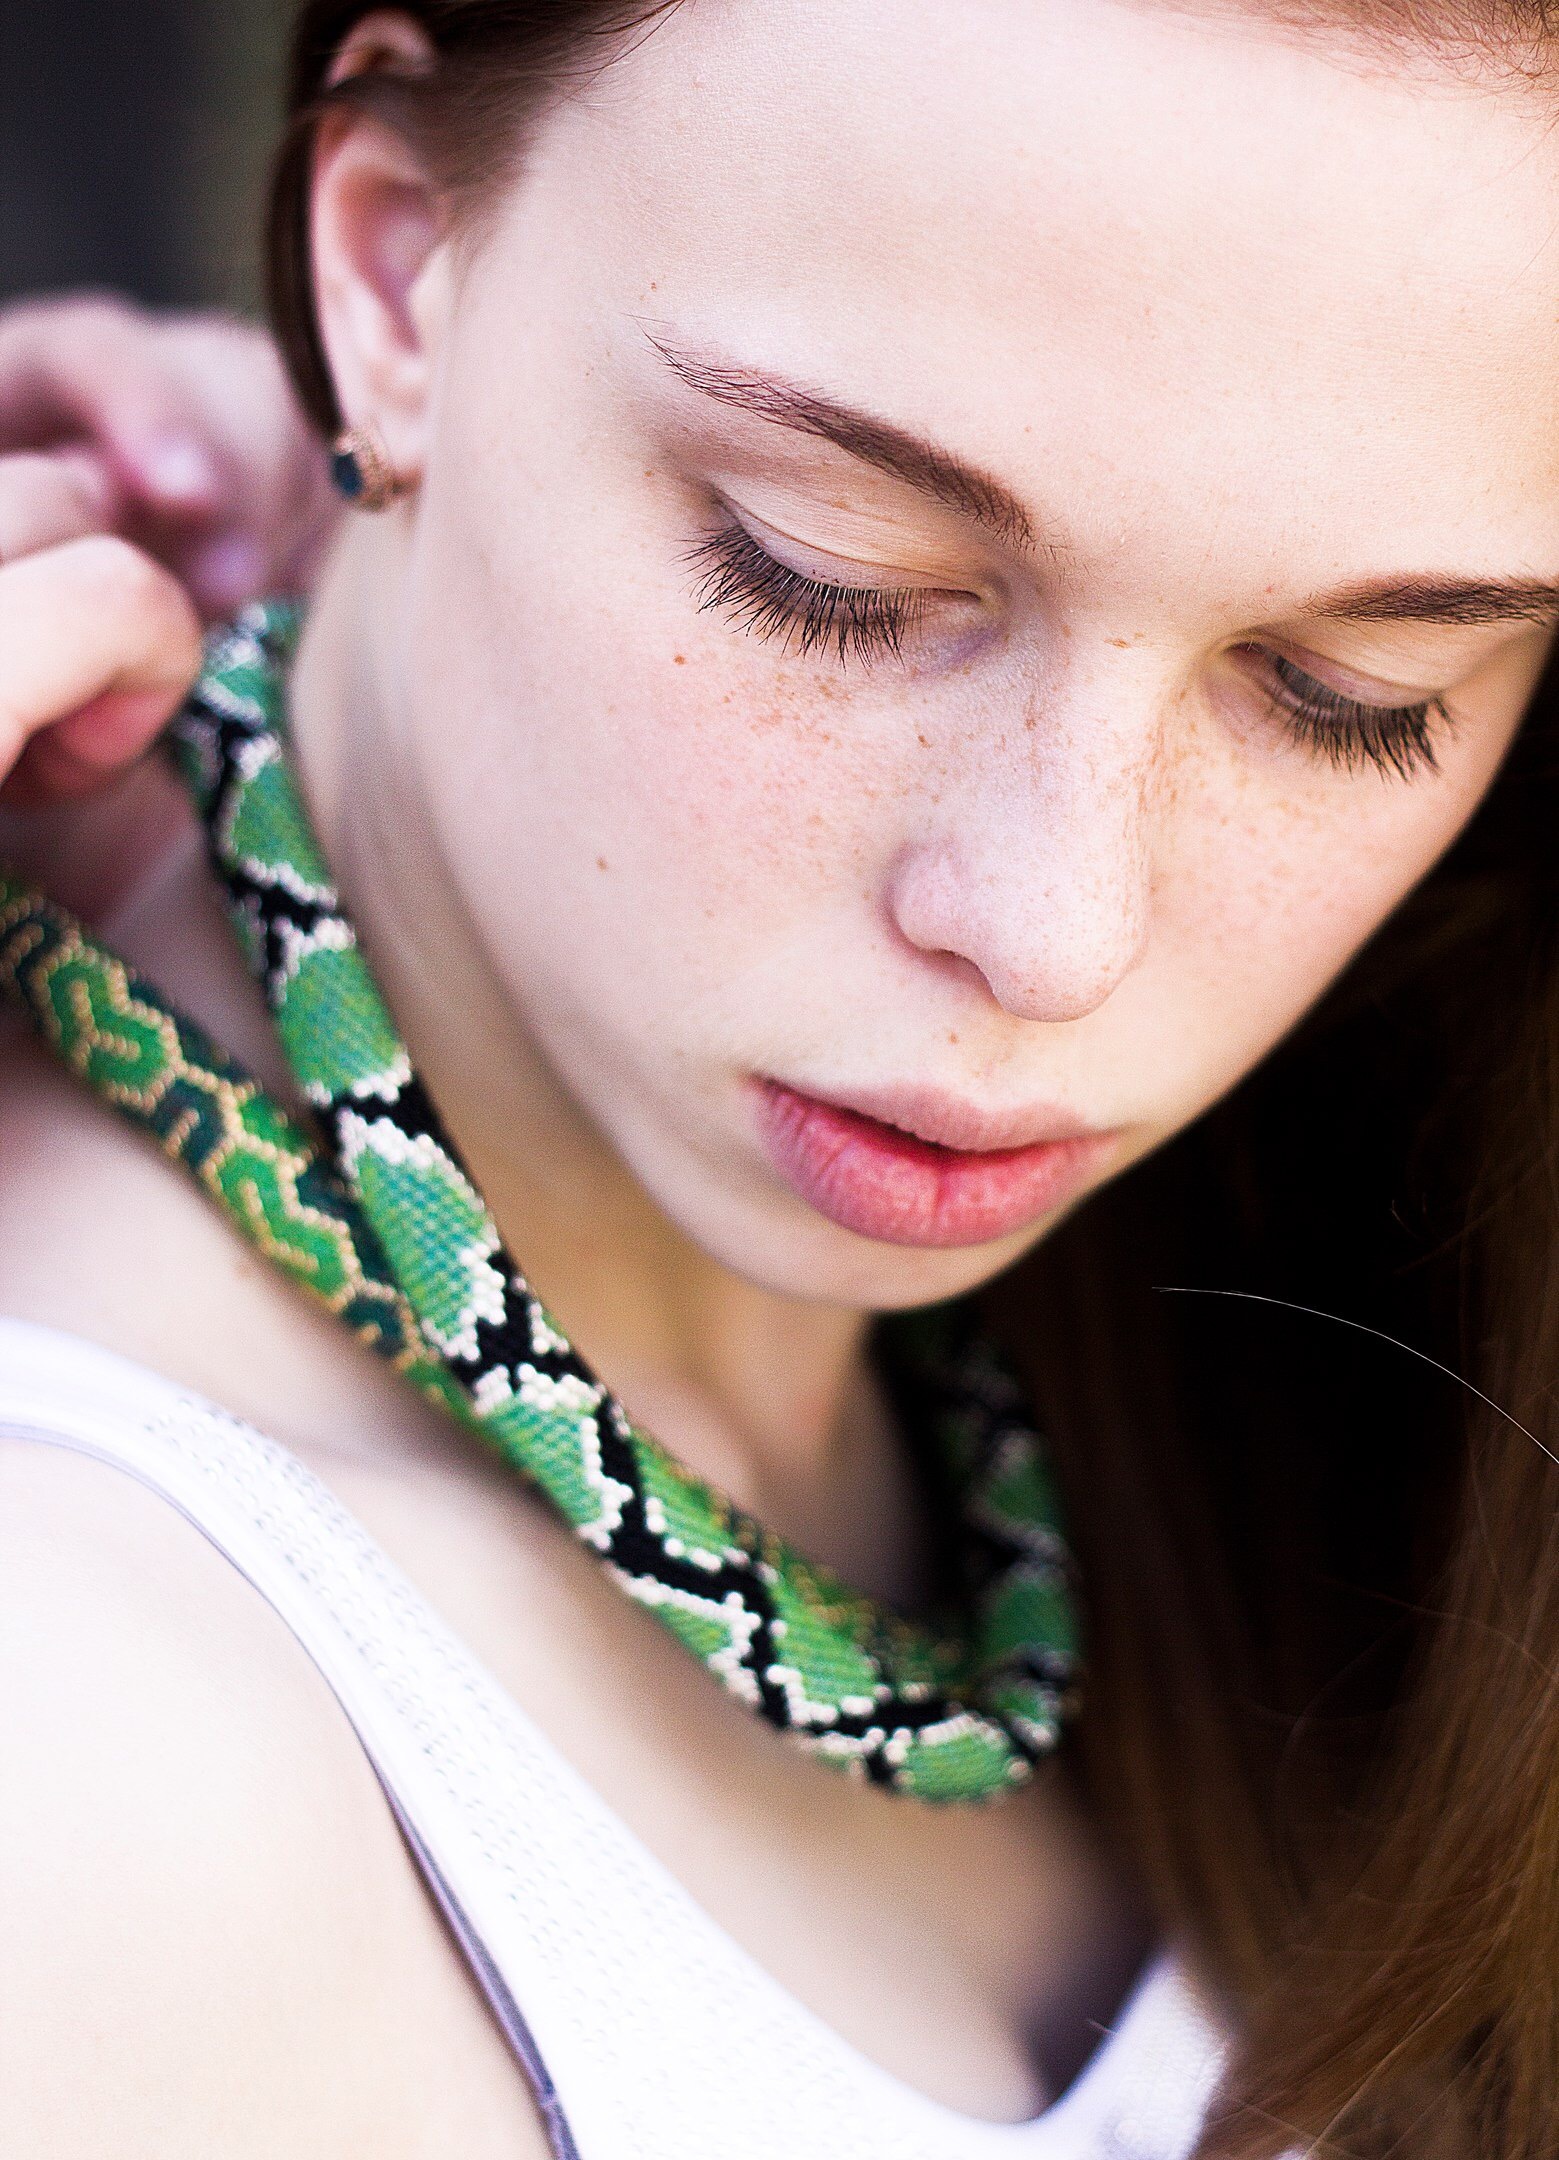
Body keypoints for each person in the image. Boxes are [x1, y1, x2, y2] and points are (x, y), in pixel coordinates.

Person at [3, 3, 1559, 2152]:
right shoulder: (84, 1741)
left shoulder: (1340, 1320)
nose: (1052, 930)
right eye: (829, 570)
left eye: (1351, 697)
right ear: (387, 278)